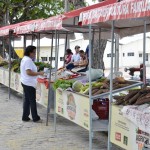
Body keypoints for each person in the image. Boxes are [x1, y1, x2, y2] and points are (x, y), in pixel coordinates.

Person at [20, 45, 44, 122]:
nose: (35, 54)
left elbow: (28, 70)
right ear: (30, 52)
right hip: (29, 83)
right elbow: (28, 72)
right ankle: (35, 118)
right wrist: (39, 73)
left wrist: (35, 68)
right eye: (34, 52)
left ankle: (25, 116)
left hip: (25, 81)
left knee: (27, 100)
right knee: (32, 101)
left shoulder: (25, 59)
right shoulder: (28, 60)